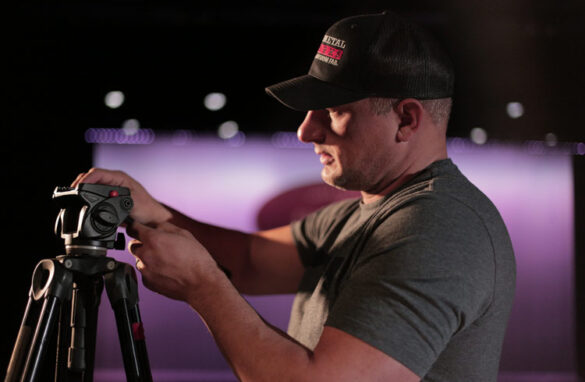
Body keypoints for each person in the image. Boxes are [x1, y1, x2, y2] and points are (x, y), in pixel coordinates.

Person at [73, 11, 516, 381]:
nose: (307, 131)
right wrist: (150, 211)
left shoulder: (438, 226)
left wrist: (203, 288)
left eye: (335, 111)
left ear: (406, 119)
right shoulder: (360, 215)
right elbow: (247, 261)